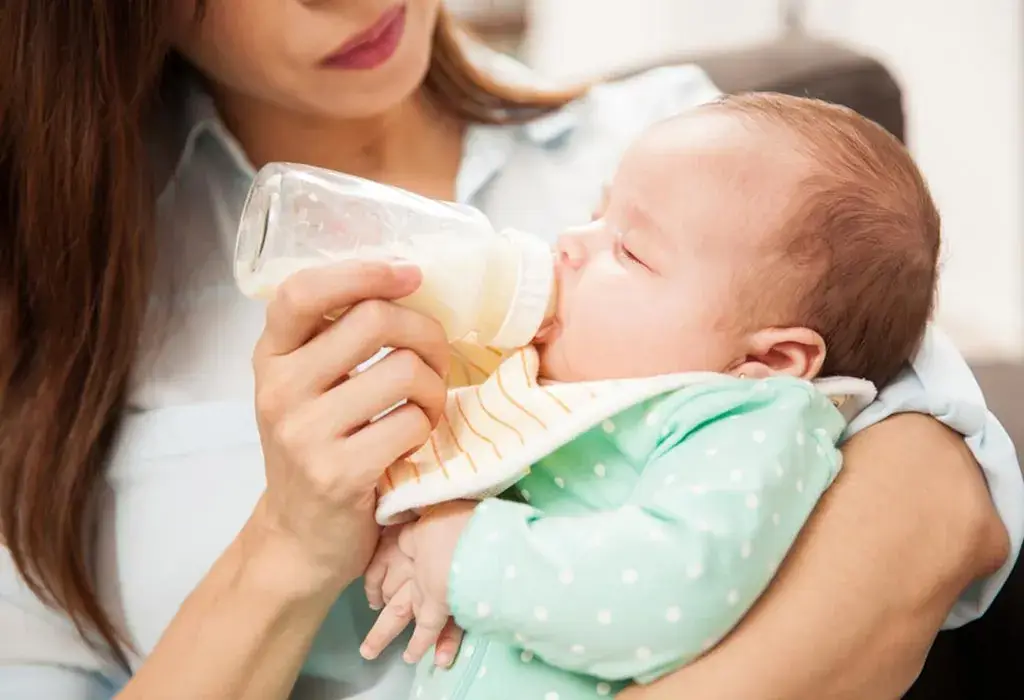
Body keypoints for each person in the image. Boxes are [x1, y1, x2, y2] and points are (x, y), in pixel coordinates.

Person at [0, 2, 1018, 699]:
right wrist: (290, 544)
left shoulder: (696, 150)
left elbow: (937, 503)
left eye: (621, 244)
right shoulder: (55, 317)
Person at [353, 92, 940, 699]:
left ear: (769, 360)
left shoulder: (744, 421)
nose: (569, 243)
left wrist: (468, 555)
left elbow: (673, 586)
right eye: (597, 213)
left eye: (630, 250)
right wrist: (420, 536)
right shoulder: (569, 389)